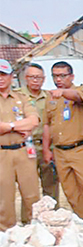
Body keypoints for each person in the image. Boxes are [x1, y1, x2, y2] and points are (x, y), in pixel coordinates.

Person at [42, 61, 83, 222]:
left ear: (72, 76)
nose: (59, 79)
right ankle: (82, 219)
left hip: (80, 148)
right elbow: (47, 124)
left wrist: (63, 92)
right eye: (55, 76)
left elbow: (78, 97)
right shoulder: (50, 98)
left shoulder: (81, 90)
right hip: (60, 150)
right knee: (70, 189)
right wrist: (47, 150)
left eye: (62, 75)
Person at [0, 58, 40, 231]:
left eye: (4, 74)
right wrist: (17, 127)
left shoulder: (21, 97)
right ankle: (5, 232)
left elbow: (33, 121)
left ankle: (34, 229)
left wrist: (8, 127)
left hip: (23, 152)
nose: (1, 78)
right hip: (2, 153)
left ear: (11, 76)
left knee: (32, 195)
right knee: (4, 197)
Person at [18, 63, 59, 219]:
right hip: (25, 146)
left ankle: (52, 217)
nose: (35, 81)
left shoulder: (49, 97)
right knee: (28, 186)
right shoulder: (18, 96)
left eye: (39, 77)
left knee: (51, 184)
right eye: (32, 77)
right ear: (26, 78)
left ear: (44, 79)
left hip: (46, 146)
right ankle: (29, 219)